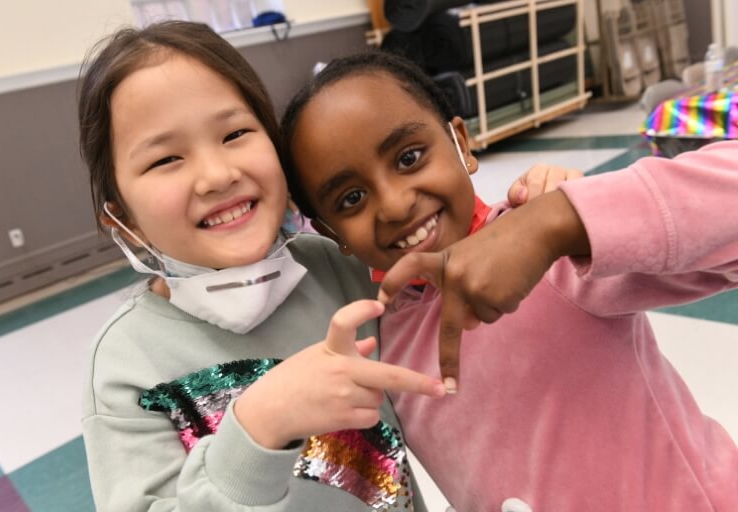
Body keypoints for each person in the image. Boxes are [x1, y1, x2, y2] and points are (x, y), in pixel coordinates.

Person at [77, 21, 569, 511]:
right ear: (122, 218)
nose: (217, 175)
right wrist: (258, 428)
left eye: (235, 133)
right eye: (166, 160)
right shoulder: (127, 367)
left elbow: (461, 282)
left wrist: (550, 214)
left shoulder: (338, 270)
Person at [280, 51, 738, 511]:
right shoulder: (384, 340)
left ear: (461, 141)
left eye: (409, 157)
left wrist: (559, 221)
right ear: (329, 232)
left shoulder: (550, 256)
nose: (395, 205)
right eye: (352, 197)